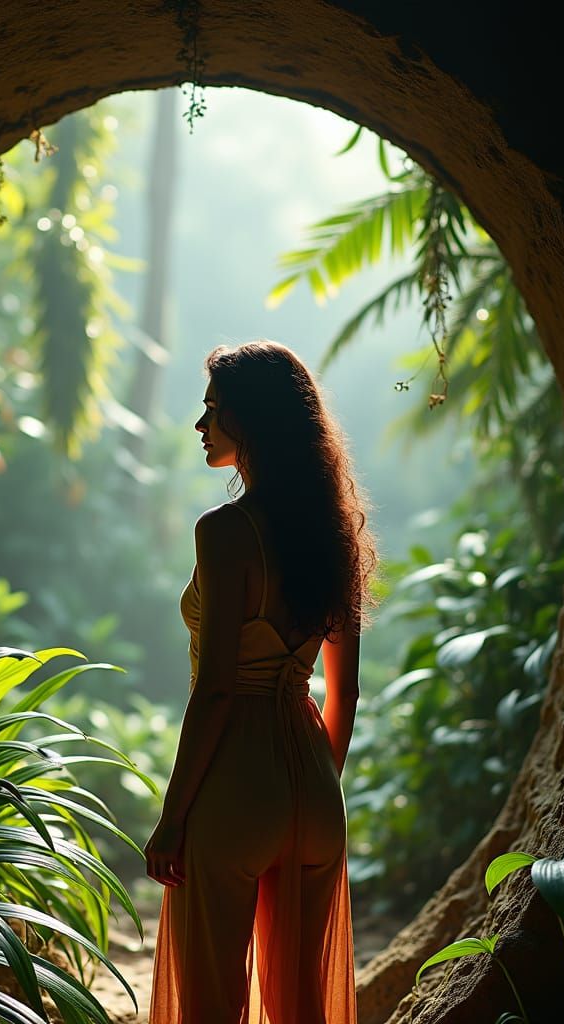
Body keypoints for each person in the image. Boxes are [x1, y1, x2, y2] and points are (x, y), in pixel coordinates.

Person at [145, 340, 376, 1024]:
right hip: (312, 785)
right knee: (298, 1005)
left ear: (253, 422)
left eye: (214, 409)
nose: (200, 424)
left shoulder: (225, 532)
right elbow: (348, 691)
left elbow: (216, 689)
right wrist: (309, 788)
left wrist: (173, 818)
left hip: (234, 786)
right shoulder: (335, 532)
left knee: (211, 1000)